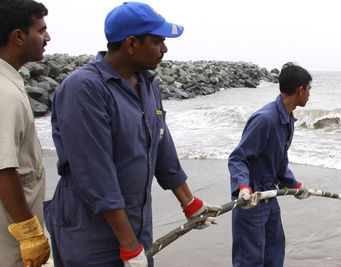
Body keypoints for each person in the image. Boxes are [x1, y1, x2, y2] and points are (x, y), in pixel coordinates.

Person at [44, 2, 221, 266]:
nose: (165, 49)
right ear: (130, 44)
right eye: (157, 41)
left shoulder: (148, 84)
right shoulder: (84, 89)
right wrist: (128, 246)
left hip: (136, 224)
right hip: (90, 233)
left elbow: (162, 148)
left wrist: (190, 203)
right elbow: (96, 173)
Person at [228, 62, 312, 267]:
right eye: (309, 89)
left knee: (274, 254)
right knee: (250, 260)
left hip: (270, 197)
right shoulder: (265, 119)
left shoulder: (288, 118)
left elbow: (278, 163)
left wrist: (295, 185)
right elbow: (238, 158)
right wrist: (243, 187)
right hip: (252, 200)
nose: (310, 94)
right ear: (299, 89)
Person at [0, 1, 52, 266]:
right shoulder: (4, 93)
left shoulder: (10, 81)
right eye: (41, 30)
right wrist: (29, 233)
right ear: (18, 36)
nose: (48, 38)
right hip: (10, 244)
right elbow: (3, 169)